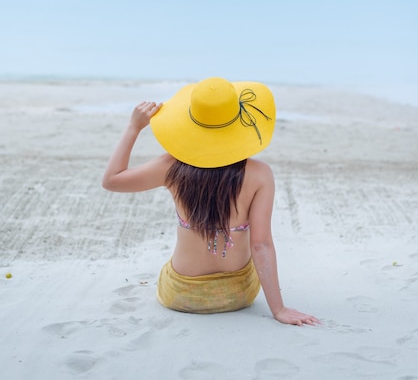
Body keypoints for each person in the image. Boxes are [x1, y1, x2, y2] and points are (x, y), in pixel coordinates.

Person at [102, 77, 319, 326]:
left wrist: (133, 127)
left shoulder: (170, 167)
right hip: (238, 294)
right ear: (238, 124)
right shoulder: (260, 174)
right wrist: (279, 309)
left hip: (180, 294)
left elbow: (111, 180)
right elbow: (261, 245)